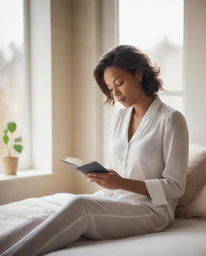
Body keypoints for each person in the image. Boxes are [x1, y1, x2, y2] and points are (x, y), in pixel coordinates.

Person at [3, 45, 189, 256]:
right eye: (110, 88)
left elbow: (175, 187)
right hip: (116, 199)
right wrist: (104, 176)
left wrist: (121, 183)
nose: (115, 93)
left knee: (80, 206)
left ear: (138, 74)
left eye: (119, 83)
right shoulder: (119, 118)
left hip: (152, 210)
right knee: (48, 210)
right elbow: (121, 168)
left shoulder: (171, 120)